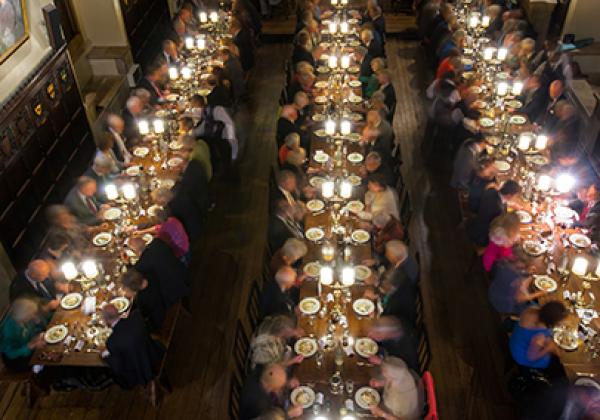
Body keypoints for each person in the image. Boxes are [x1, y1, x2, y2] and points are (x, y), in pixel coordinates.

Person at [101, 305, 164, 389]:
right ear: (118, 312)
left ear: (106, 321)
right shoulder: (136, 317)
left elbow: (118, 367)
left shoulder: (112, 342)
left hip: (139, 370)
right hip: (153, 353)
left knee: (116, 372)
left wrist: (105, 356)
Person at [509, 302, 567, 377]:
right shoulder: (539, 338)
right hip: (521, 355)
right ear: (551, 321)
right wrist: (547, 349)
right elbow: (531, 358)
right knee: (555, 362)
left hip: (515, 340)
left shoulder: (533, 308)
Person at [128, 237, 190, 306]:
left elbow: (133, 275)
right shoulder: (157, 242)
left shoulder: (141, 265)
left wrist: (128, 264)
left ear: (134, 251)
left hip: (173, 291)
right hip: (182, 271)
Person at [466, 180, 521, 247]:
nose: (515, 198)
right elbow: (501, 227)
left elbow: (498, 201)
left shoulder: (491, 191)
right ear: (509, 195)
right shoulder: (498, 210)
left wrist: (508, 204)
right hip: (484, 236)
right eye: (515, 196)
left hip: (477, 223)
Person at [0, 298, 47, 371]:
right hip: (16, 359)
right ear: (24, 315)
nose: (33, 316)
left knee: (46, 350)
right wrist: (30, 346)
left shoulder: (25, 319)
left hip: (27, 346)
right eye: (32, 314)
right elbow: (10, 354)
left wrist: (36, 334)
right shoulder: (9, 330)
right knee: (43, 360)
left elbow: (34, 332)